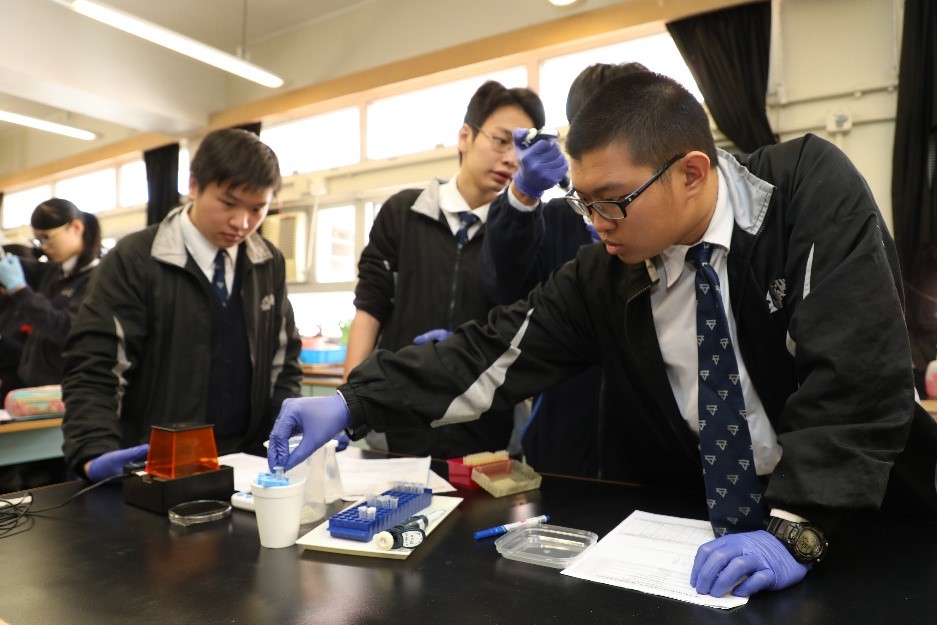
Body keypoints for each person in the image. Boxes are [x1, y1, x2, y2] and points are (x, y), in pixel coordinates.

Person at [268, 71, 937, 599]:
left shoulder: (804, 194)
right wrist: (359, 400)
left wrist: (796, 524)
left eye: (610, 200)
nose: (594, 222)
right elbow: (493, 350)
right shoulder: (604, 275)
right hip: (709, 539)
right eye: (580, 201)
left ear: (691, 173)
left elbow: (858, 371)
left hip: (864, 522)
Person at [61, 128, 303, 483]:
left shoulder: (268, 263)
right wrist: (94, 450)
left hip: (249, 465)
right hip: (157, 467)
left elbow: (284, 361)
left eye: (257, 208)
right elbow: (95, 366)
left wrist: (289, 431)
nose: (242, 222)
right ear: (193, 186)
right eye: (228, 203)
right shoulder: (135, 259)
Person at [342, 79, 565, 459]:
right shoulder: (403, 213)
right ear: (465, 136)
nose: (512, 159)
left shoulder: (529, 229)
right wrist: (348, 400)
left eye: (522, 148)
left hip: (486, 433)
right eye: (501, 140)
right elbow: (371, 306)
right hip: (398, 423)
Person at [479, 62, 649, 478]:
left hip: (654, 450)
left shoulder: (661, 216)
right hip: (561, 450)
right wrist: (522, 194)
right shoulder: (557, 218)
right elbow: (506, 286)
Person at [0, 200, 102, 398]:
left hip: (64, 391)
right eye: (39, 240)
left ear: (76, 227)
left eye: (48, 238)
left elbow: (66, 329)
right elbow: (24, 266)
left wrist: (20, 289)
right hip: (32, 386)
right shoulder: (56, 272)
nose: (45, 247)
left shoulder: (97, 278)